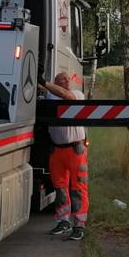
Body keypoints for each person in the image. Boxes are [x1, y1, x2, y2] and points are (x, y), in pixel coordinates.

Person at [38, 71, 89, 241]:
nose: (67, 80)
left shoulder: (77, 94)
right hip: (57, 150)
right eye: (62, 79)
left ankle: (79, 225)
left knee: (78, 188)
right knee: (60, 188)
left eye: (68, 78)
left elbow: (66, 96)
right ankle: (63, 221)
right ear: (56, 82)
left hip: (75, 149)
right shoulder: (50, 97)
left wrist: (44, 83)